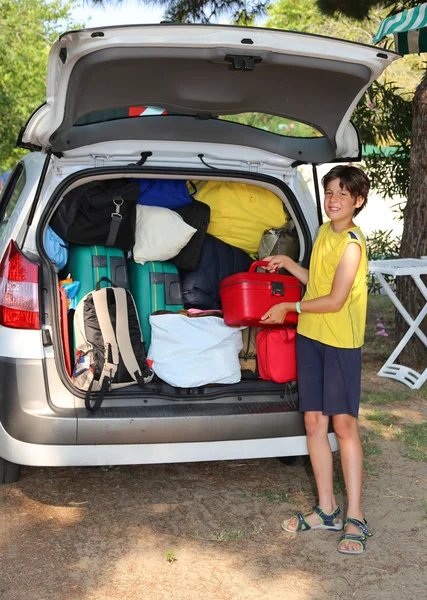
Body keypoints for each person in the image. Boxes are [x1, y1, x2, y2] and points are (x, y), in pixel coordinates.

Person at [260, 165, 372, 555]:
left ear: (357, 201)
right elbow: (319, 283)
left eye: (342, 194)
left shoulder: (353, 244)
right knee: (313, 423)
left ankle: (354, 516)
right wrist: (290, 267)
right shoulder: (325, 232)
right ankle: (327, 509)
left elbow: (336, 300)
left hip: (340, 342)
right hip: (311, 337)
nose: (333, 200)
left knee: (343, 426)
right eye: (329, 193)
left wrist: (290, 305)